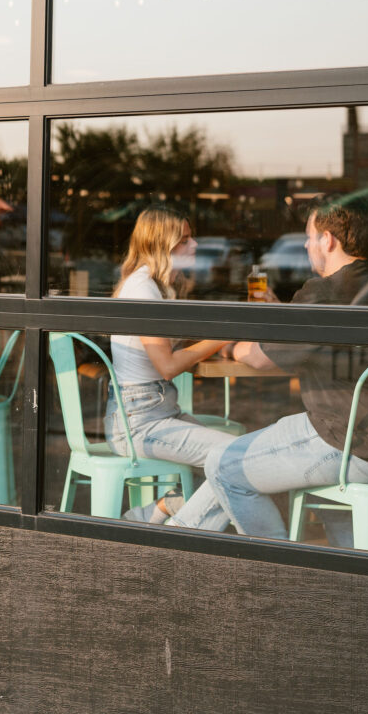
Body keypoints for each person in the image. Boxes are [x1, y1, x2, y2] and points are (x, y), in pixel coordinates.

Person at [167, 199, 368, 547]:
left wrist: (232, 347)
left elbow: (262, 358)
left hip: (349, 442)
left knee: (223, 464)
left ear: (328, 240)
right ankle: (358, 572)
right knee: (287, 453)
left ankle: (278, 565)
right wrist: (283, 311)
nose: (307, 246)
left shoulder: (323, 291)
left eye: (309, 237)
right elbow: (320, 336)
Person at [105, 205, 236, 523]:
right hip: (139, 423)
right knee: (235, 458)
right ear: (161, 245)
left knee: (245, 457)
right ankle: (181, 527)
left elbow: (170, 352)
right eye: (184, 240)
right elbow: (166, 365)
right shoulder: (142, 289)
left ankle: (161, 511)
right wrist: (222, 337)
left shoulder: (159, 287)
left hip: (157, 409)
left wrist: (212, 344)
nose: (194, 245)